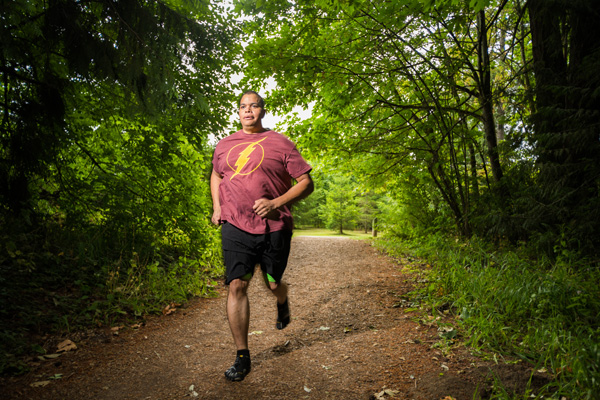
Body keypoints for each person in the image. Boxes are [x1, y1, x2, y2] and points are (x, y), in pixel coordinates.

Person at [210, 90, 314, 382]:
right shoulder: (224, 144)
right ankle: (242, 356)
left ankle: (282, 298)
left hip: (275, 227)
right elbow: (217, 174)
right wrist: (218, 207)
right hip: (235, 224)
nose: (248, 111)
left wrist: (276, 203)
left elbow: (306, 182)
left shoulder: (281, 143)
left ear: (262, 111)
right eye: (243, 106)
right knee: (236, 286)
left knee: (272, 282)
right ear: (238, 111)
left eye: (253, 106)